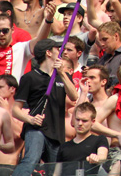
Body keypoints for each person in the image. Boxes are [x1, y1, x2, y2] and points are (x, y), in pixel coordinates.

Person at [12, 40, 78, 176]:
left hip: (57, 131)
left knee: (55, 169)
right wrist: (31, 119)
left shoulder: (62, 76)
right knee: (31, 160)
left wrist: (62, 73)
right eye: (57, 49)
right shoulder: (29, 77)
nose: (61, 52)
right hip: (37, 128)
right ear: (48, 53)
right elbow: (15, 110)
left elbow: (74, 96)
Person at [55, 102, 108, 175]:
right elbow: (56, 173)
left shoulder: (99, 139)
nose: (80, 123)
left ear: (92, 122)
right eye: (77, 119)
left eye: (84, 121)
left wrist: (97, 158)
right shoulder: (64, 146)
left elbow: (103, 156)